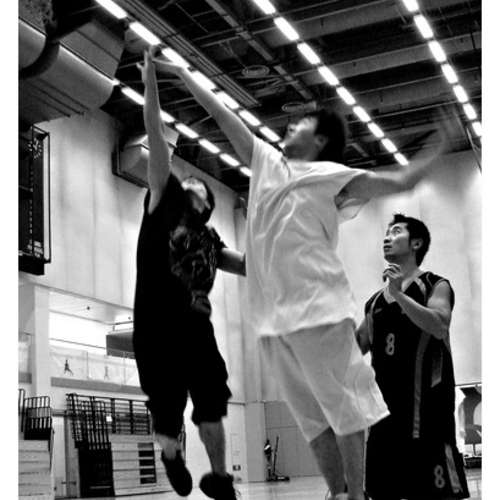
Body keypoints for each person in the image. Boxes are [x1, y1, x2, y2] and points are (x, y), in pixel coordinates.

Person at [150, 52, 446, 500]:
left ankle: (357, 495)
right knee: (312, 423)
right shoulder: (266, 161)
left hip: (320, 310)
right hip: (274, 324)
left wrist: (437, 148)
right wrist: (182, 73)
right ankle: (338, 493)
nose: (290, 126)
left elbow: (400, 181)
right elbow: (223, 114)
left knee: (346, 409)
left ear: (320, 139)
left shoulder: (332, 175)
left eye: (302, 122)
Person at [132, 49, 245, 500]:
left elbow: (248, 265)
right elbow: (156, 136)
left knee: (212, 403)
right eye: (190, 181)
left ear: (209, 204)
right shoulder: (164, 199)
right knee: (167, 411)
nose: (193, 183)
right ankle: (171, 455)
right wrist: (151, 84)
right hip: (156, 327)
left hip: (197, 328)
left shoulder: (212, 239)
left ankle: (219, 477)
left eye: (200, 186)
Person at [356, 214, 469, 500]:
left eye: (396, 232)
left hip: (428, 422)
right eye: (386, 233)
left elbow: (439, 325)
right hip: (383, 424)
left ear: (416, 243)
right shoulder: (374, 303)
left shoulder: (436, 285)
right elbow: (353, 349)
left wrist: (399, 295)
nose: (387, 237)